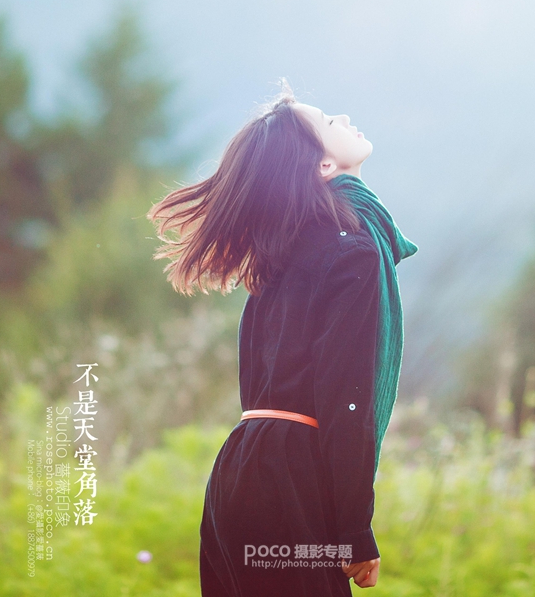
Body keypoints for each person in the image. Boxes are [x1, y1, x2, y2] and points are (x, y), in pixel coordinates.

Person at [147, 80, 418, 596]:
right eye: (328, 122)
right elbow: (348, 400)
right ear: (323, 166)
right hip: (289, 483)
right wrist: (355, 532)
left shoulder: (281, 255)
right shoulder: (354, 252)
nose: (343, 118)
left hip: (238, 470)